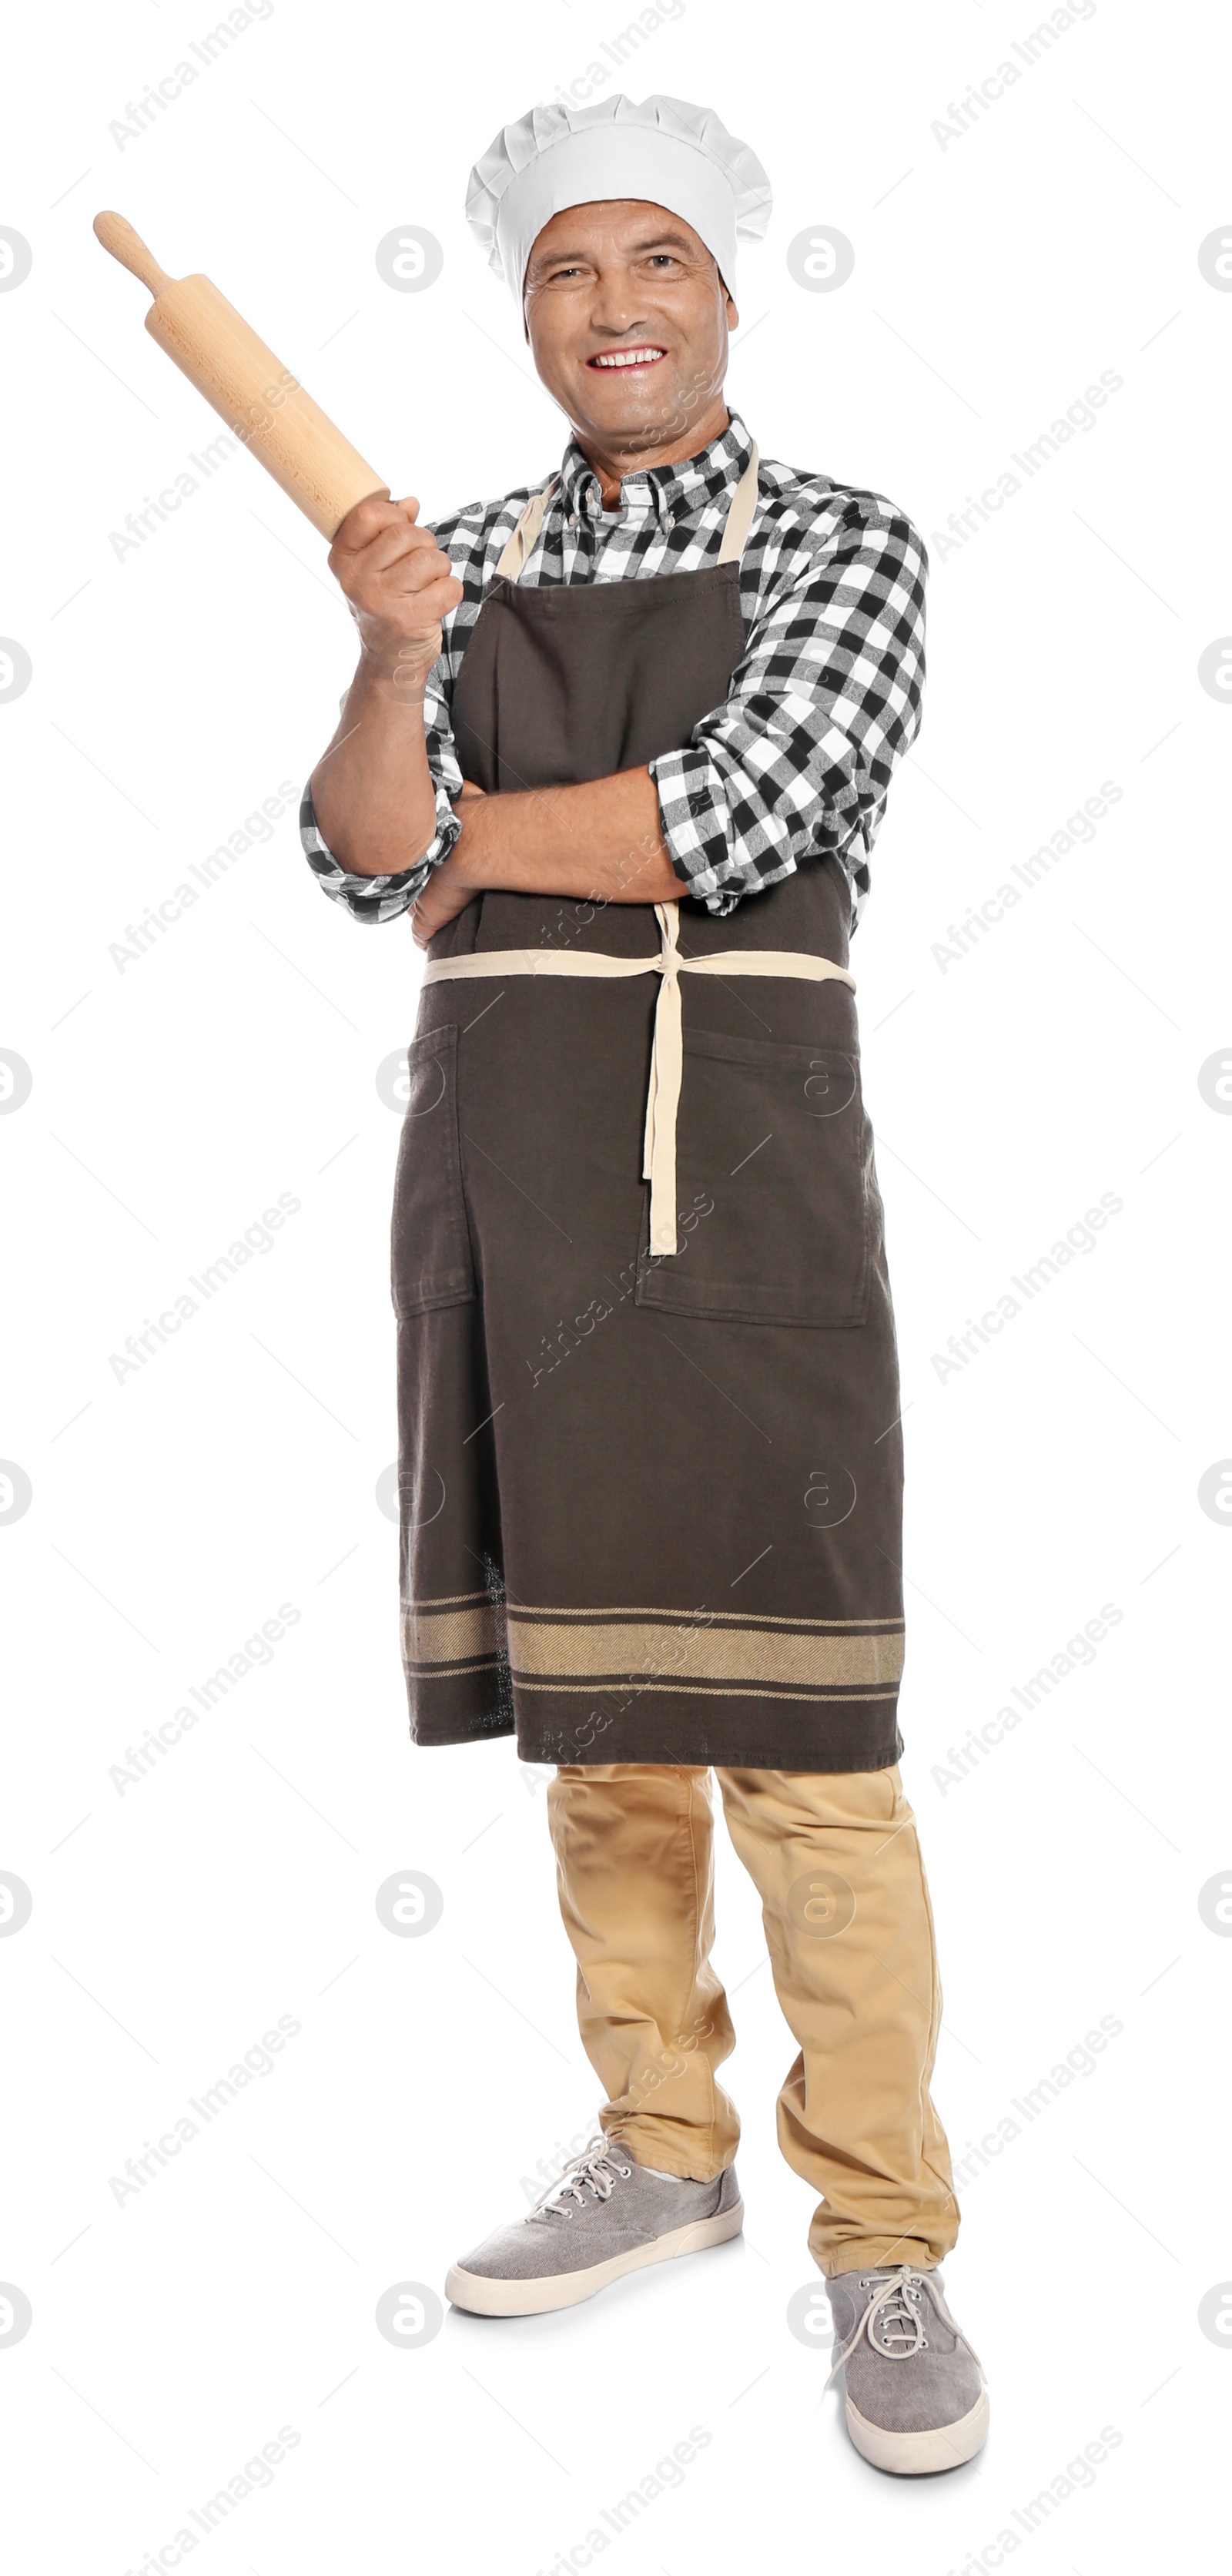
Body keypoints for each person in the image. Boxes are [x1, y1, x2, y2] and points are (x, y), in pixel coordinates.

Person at [302, 92, 987, 2476]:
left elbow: (738, 805)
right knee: (603, 1738)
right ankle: (664, 2147)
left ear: (724, 293)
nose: (617, 309)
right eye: (571, 274)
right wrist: (395, 663)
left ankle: (885, 2238)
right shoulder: (456, 560)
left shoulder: (844, 542)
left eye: (657, 267)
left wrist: (471, 852)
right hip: (516, 1189)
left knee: (809, 1744)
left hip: (754, 1193)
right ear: (526, 314)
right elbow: (353, 851)